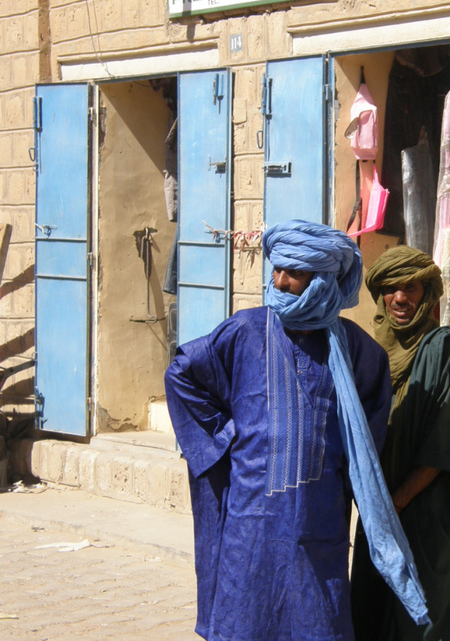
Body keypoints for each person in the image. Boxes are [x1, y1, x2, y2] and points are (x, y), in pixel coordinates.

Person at [165, 220, 428, 641]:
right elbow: (183, 374)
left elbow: (366, 440)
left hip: (318, 519)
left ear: (324, 280)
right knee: (244, 619)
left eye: (295, 272)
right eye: (277, 269)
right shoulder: (244, 330)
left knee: (317, 620)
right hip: (250, 518)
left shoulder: (361, 353)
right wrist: (225, 437)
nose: (281, 281)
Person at [350, 246, 450, 641]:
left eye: (411, 288)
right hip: (380, 512)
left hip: (427, 514)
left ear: (428, 294)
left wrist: (395, 503)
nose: (400, 298)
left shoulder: (448, 352)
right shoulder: (370, 354)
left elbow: (444, 447)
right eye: (391, 289)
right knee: (373, 613)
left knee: (425, 621)